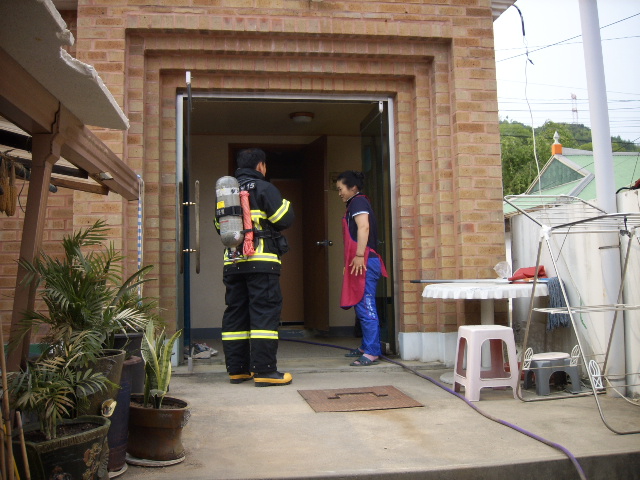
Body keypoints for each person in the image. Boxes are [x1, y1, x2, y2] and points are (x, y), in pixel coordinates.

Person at [216, 148, 294, 386]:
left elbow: (219, 227)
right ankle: (265, 371)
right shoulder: (264, 188)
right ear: (261, 166)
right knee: (264, 313)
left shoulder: (227, 192)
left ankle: (238, 370)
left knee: (236, 314)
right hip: (262, 263)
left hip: (233, 262)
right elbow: (284, 219)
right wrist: (286, 203)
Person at [336, 170, 388, 366]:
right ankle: (367, 345)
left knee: (366, 305)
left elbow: (363, 227)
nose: (339, 193)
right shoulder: (354, 204)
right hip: (359, 261)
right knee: (360, 304)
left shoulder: (358, 202)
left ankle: (372, 351)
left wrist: (359, 256)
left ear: (353, 188)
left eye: (340, 189)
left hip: (365, 260)